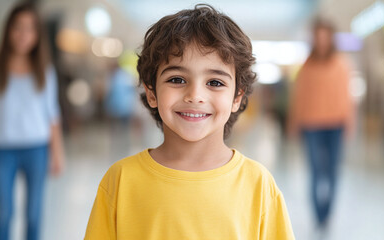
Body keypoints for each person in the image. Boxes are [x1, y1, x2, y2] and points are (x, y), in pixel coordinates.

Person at [85, 4, 294, 240]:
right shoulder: (121, 180)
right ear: (151, 92)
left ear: (237, 97)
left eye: (215, 82)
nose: (195, 95)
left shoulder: (259, 185)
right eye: (177, 79)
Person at [0, 2, 64, 240]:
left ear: (38, 35)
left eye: (30, 29)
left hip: (36, 148)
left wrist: (58, 154)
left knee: (34, 214)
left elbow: (52, 115)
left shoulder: (44, 70)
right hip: (0, 149)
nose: (23, 35)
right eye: (18, 27)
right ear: (8, 30)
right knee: (5, 212)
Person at [288, 19, 354, 228]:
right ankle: (318, 215)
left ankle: (327, 213)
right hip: (311, 125)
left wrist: (349, 123)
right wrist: (294, 122)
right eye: (318, 36)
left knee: (333, 171)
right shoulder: (307, 65)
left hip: (336, 124)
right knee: (316, 171)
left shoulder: (341, 65)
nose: (322, 41)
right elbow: (299, 96)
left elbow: (347, 96)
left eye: (325, 36)